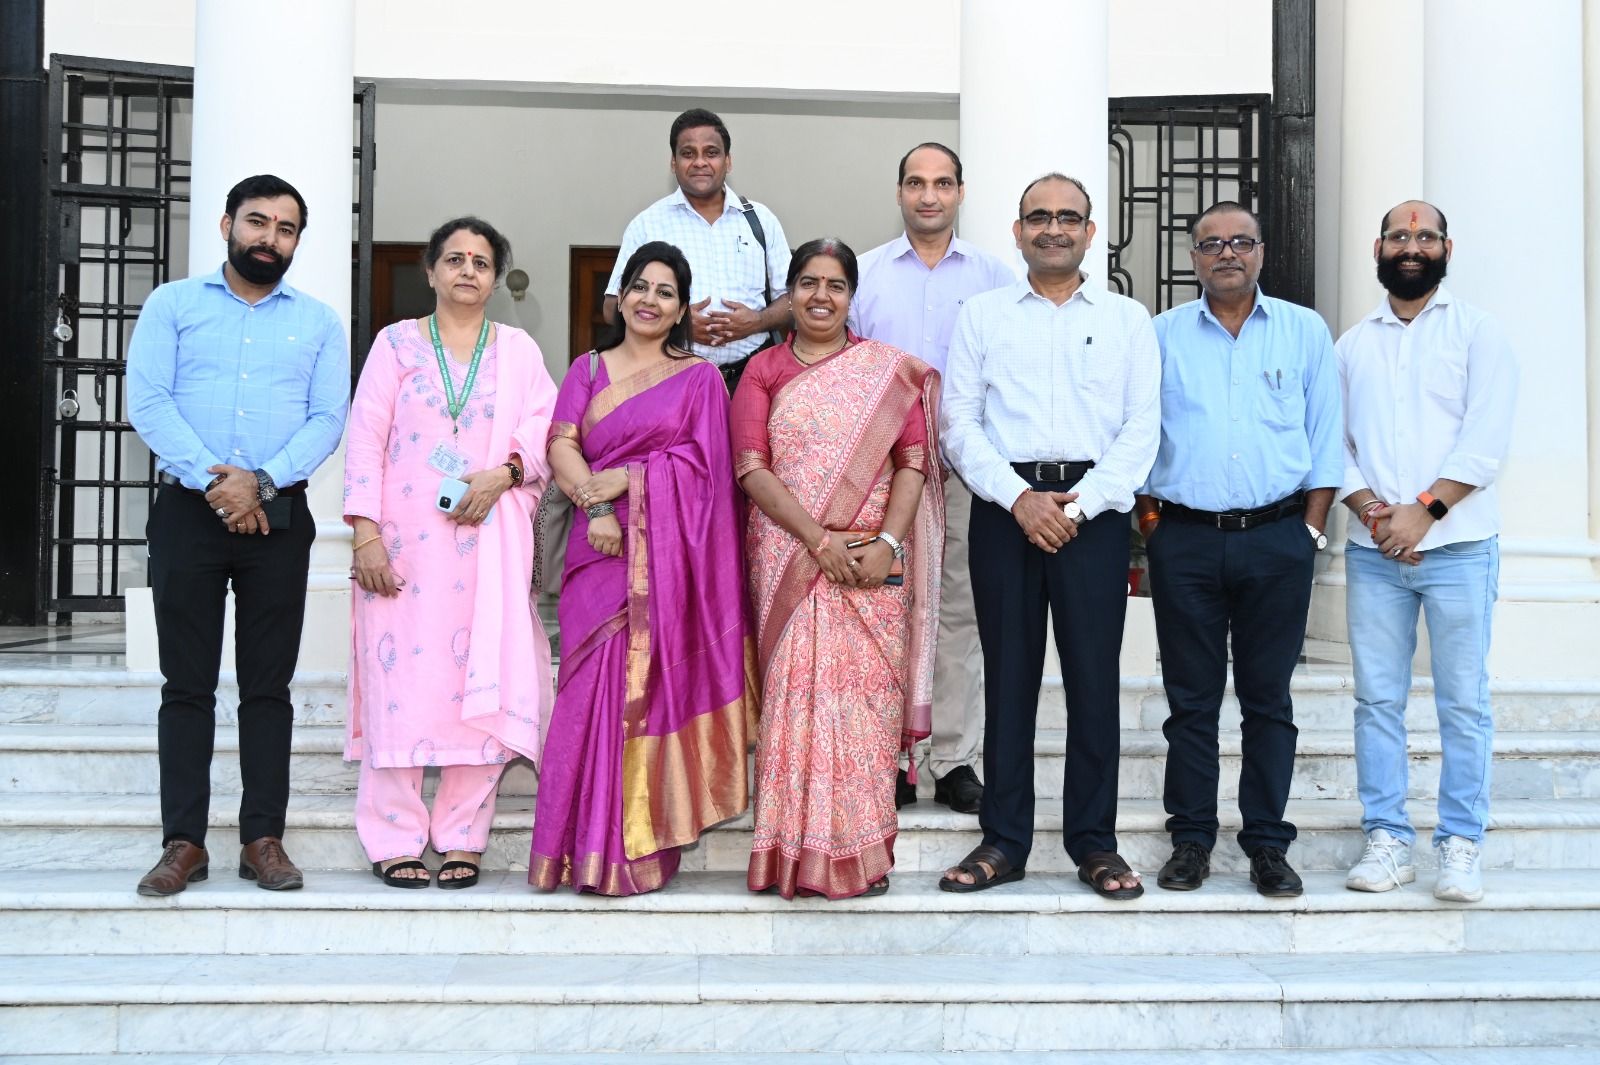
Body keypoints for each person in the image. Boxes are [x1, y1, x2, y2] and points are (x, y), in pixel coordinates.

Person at [939, 173, 1160, 898]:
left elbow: (1142, 429)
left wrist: (1079, 507)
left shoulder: (1129, 319)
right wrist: (1020, 499)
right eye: (1039, 216)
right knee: (1008, 681)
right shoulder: (983, 315)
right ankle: (1004, 840)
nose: (1053, 228)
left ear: (1090, 233)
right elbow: (958, 423)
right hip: (1006, 511)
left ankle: (1095, 843)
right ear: (1018, 230)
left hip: (1093, 516)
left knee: (1094, 682)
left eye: (1068, 217)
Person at [127, 174, 348, 896]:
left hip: (278, 516)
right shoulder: (173, 305)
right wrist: (218, 483)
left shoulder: (319, 322)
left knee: (268, 687)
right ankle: (183, 842)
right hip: (188, 513)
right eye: (258, 222)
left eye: (285, 229)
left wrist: (262, 482)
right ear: (227, 225)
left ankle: (263, 839)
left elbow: (327, 418)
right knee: (186, 685)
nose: (269, 238)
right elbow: (148, 400)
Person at [531, 241, 756, 895]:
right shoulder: (588, 369)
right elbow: (561, 445)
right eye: (640, 286)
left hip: (668, 559)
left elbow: (708, 476)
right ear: (620, 297)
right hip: (597, 548)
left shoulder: (700, 380)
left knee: (646, 689)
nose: (649, 300)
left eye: (665, 292)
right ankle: (573, 849)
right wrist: (597, 505)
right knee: (588, 687)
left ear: (682, 309)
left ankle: (633, 849)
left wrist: (630, 477)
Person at [1134, 202, 1342, 899]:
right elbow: (1139, 433)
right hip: (1186, 540)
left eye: (1241, 242)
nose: (1227, 253)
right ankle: (1191, 839)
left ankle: (1268, 845)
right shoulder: (1161, 335)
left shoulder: (1304, 331)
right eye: (1212, 243)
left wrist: (1309, 532)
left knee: (1268, 701)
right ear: (1193, 257)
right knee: (1190, 702)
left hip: (1279, 540)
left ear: (1261, 252)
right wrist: (1154, 526)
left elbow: (1326, 436)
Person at [344, 217, 557, 889]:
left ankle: (464, 833)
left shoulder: (518, 350)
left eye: (482, 262)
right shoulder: (395, 344)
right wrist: (365, 535)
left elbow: (547, 430)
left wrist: (504, 474)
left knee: (481, 684)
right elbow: (365, 438)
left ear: (494, 279)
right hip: (403, 550)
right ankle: (394, 835)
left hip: (487, 547)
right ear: (431, 271)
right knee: (400, 688)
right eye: (456, 259)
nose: (468, 270)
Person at [735, 237, 944, 900]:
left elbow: (914, 463)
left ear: (853, 296)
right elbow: (751, 467)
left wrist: (888, 542)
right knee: (795, 708)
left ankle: (860, 858)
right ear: (790, 293)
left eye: (835, 284)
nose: (820, 296)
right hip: (791, 560)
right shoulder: (763, 370)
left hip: (872, 567)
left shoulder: (889, 372)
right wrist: (817, 539)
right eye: (808, 282)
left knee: (863, 712)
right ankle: (790, 857)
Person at [1338, 200, 1518, 903]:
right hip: (1374, 550)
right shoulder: (1352, 345)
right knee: (1377, 700)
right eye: (1398, 235)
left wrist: (1423, 514)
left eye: (1425, 235)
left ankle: (1460, 843)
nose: (1411, 245)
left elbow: (1485, 441)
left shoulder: (1478, 333)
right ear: (1378, 248)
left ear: (1447, 247)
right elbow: (1333, 446)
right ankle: (1388, 838)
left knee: (1463, 702)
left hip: (1460, 549)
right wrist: (1378, 515)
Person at [850, 142, 1015, 815]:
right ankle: (889, 759)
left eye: (942, 183)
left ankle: (952, 759)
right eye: (916, 183)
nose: (928, 195)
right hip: (880, 474)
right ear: (899, 192)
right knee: (883, 609)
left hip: (964, 472)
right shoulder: (864, 274)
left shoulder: (995, 277)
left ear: (960, 193)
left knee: (958, 612)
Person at [604, 108, 792, 391]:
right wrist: (675, 322)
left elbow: (792, 301)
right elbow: (611, 308)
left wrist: (757, 321)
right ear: (673, 162)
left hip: (751, 380)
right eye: (688, 153)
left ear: (728, 161)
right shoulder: (647, 224)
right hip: (671, 380)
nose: (700, 162)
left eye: (711, 153)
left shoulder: (761, 220)